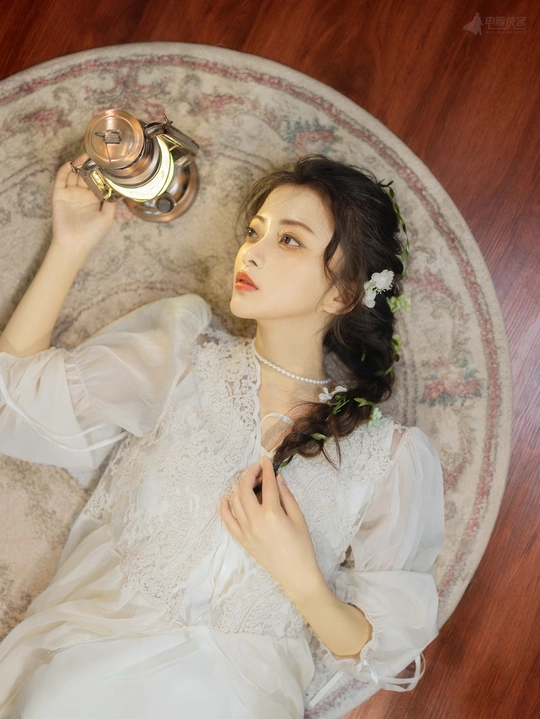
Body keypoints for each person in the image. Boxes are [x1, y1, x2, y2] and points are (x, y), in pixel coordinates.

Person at [0, 152, 445, 719]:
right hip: (90, 669)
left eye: (289, 240)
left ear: (341, 294)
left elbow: (382, 654)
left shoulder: (387, 456)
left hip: (235, 699)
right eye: (254, 232)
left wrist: (302, 579)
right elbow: (13, 401)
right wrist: (70, 244)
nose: (250, 251)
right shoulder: (180, 357)